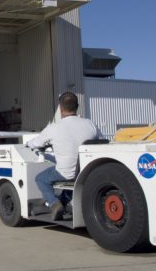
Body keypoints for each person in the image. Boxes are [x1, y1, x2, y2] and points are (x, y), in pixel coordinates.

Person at [27, 91, 101, 221]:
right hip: (86, 171)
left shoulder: (54, 128)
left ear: (60, 109)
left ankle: (54, 204)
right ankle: (66, 201)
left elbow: (36, 143)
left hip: (67, 173)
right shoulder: (90, 124)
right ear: (77, 106)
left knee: (41, 178)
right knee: (64, 167)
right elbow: (102, 141)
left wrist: (28, 144)